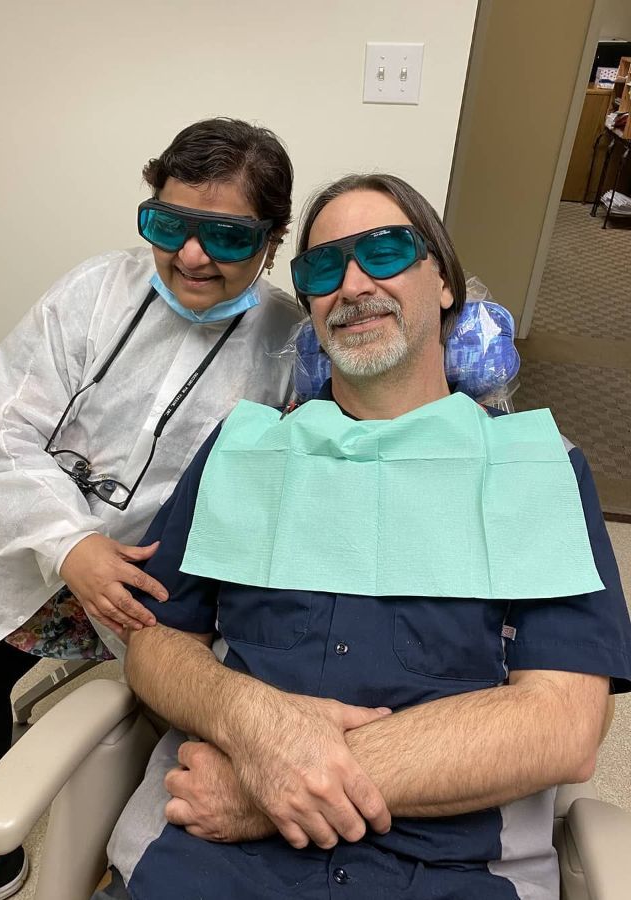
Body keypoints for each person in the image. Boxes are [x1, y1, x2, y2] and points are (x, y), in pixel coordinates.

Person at [95, 174, 631, 900]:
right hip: (206, 867)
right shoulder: (248, 450)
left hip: (445, 872)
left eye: (383, 252)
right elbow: (157, 640)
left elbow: (563, 722)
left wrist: (270, 783)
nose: (351, 284)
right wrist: (250, 719)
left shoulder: (535, 468)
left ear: (443, 283)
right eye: (323, 267)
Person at [0, 118, 302, 900]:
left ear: (274, 237)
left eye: (225, 236)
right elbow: (1, 433)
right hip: (43, 555)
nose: (190, 256)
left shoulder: (291, 343)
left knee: (171, 752)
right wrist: (70, 545)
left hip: (172, 593)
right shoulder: (93, 292)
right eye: (169, 224)